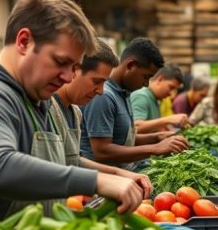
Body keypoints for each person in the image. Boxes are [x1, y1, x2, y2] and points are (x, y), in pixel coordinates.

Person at [0, 0, 145, 223]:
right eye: (61, 62)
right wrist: (98, 181)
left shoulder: (36, 99)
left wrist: (114, 175)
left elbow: (61, 161)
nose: (68, 77)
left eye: (74, 67)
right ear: (24, 42)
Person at [49, 39, 153, 194]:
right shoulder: (48, 109)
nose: (101, 91)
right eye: (96, 81)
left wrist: (119, 174)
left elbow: (72, 161)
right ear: (73, 70)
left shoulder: (75, 112)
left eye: (104, 83)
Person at [80, 38, 189, 169]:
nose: (146, 84)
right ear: (131, 66)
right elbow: (102, 151)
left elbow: (123, 140)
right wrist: (155, 148)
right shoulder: (103, 96)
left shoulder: (123, 94)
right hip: (105, 181)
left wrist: (157, 137)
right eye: (146, 76)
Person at [130, 63, 188, 133]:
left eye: (175, 90)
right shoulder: (141, 96)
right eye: (171, 87)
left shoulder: (155, 98)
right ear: (160, 79)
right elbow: (135, 127)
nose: (171, 94)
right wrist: (168, 119)